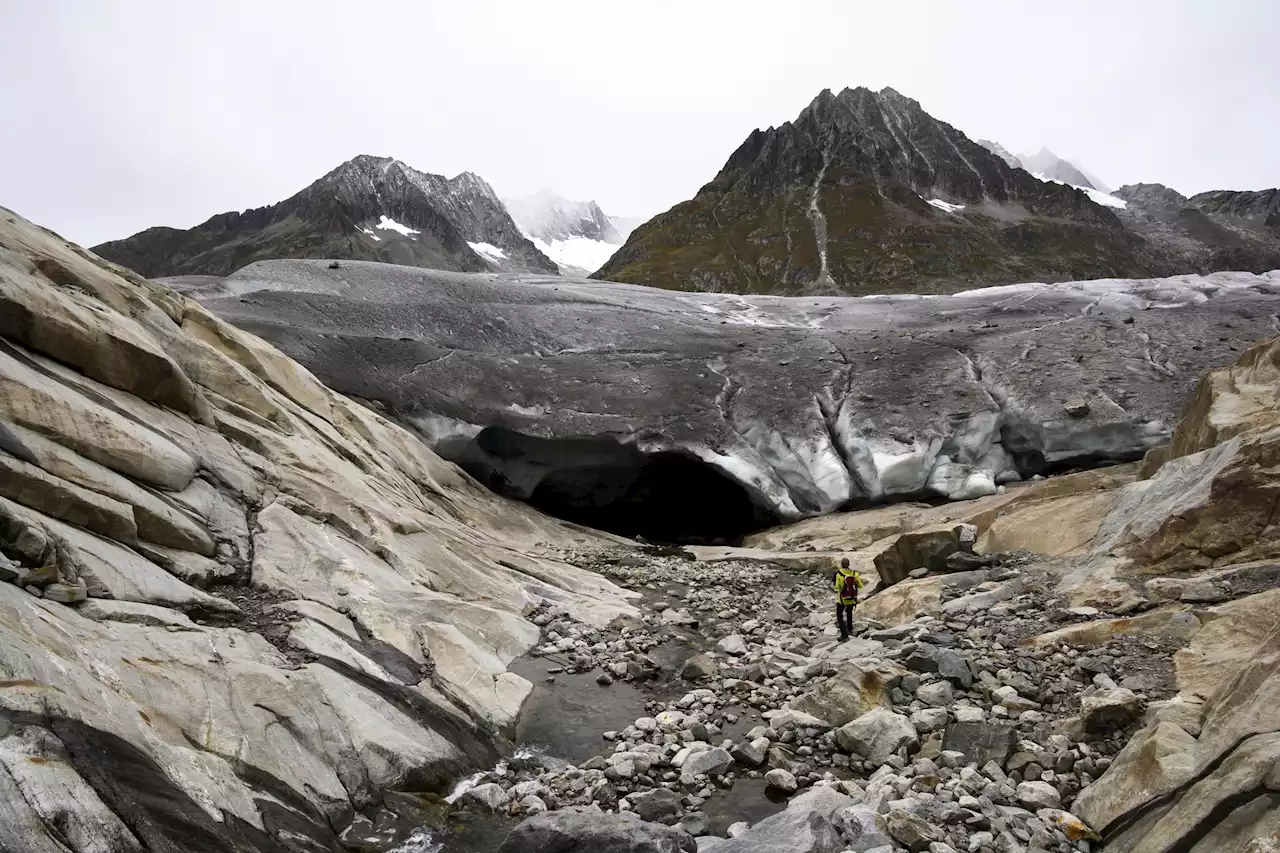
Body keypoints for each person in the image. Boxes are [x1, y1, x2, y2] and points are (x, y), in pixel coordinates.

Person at [831, 557, 863, 640]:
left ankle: (844, 635)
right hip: (852, 598)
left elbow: (837, 587)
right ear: (849, 564)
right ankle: (850, 630)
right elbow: (860, 585)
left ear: (841, 564)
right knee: (849, 613)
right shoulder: (854, 574)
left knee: (839, 616)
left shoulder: (838, 574)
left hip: (842, 599)